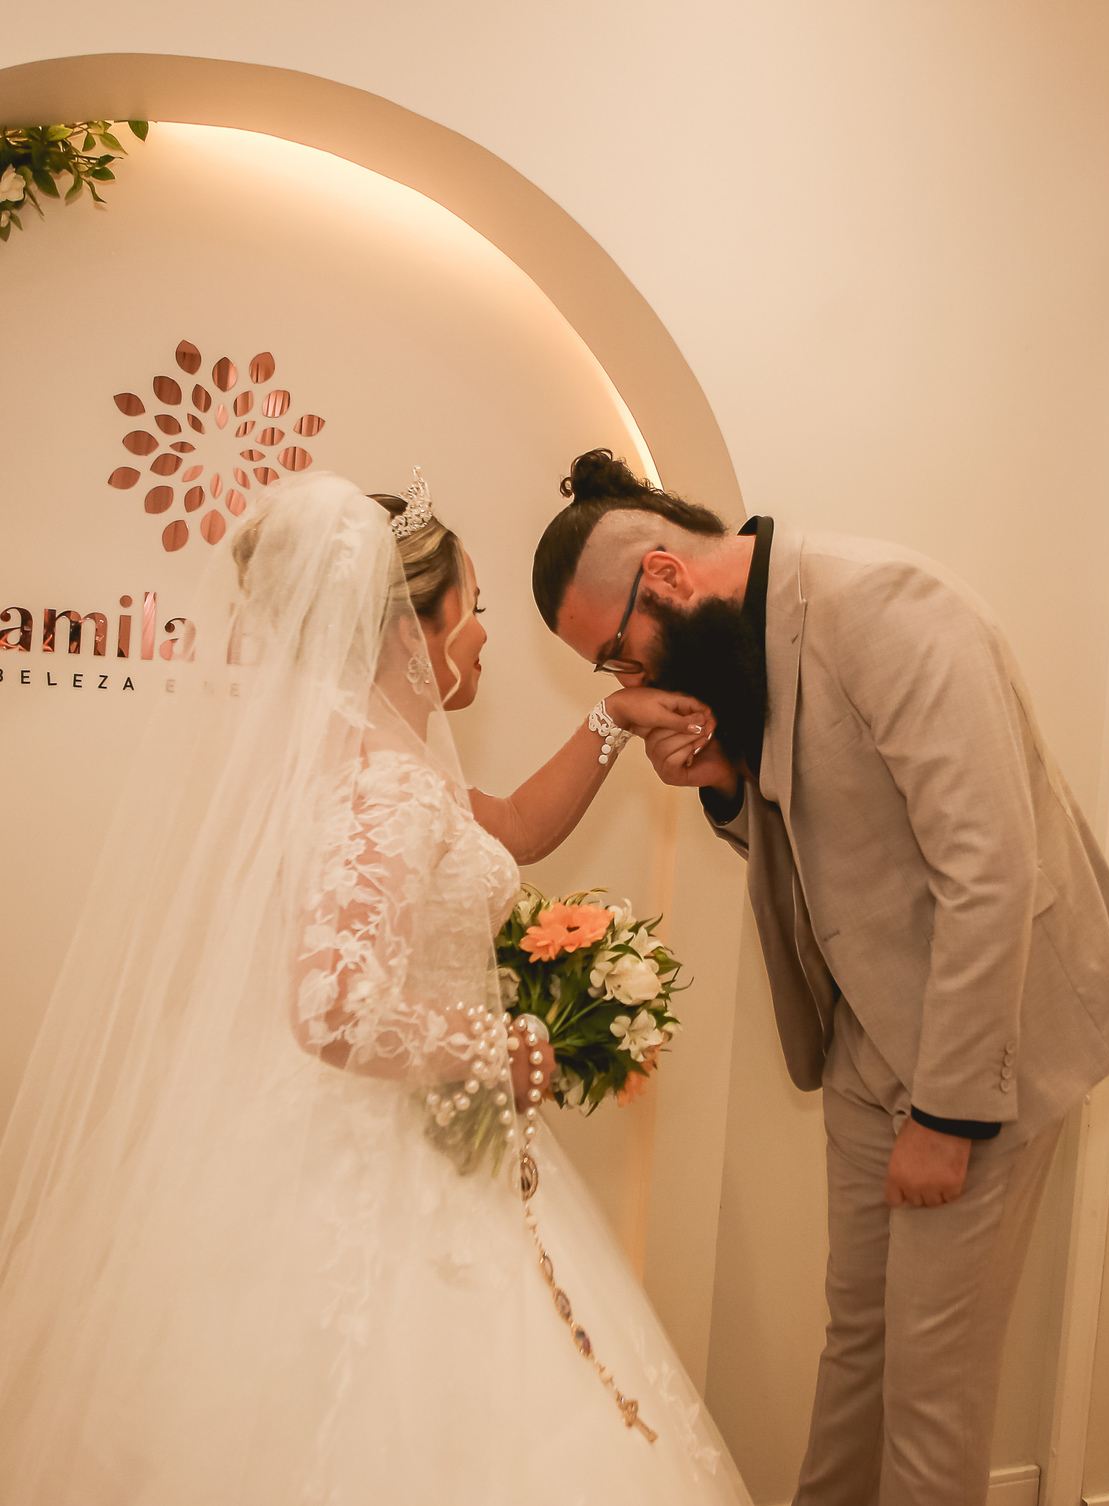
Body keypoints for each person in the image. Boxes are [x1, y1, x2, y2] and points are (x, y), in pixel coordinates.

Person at [0, 470, 752, 1506]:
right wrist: (505, 1047)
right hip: (379, 1165)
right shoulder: (386, 784)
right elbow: (336, 1009)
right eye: (473, 608)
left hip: (352, 1133)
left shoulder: (375, 765)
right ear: (411, 632)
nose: (482, 635)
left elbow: (512, 830)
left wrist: (613, 717)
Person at [532, 448, 1109, 1506]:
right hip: (869, 1042)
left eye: (617, 657)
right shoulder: (747, 643)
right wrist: (726, 790)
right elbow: (822, 853)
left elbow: (991, 871)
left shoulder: (890, 608)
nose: (631, 685)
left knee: (932, 1388)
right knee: (857, 1348)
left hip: (979, 1049)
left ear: (666, 578)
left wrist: (949, 1115)